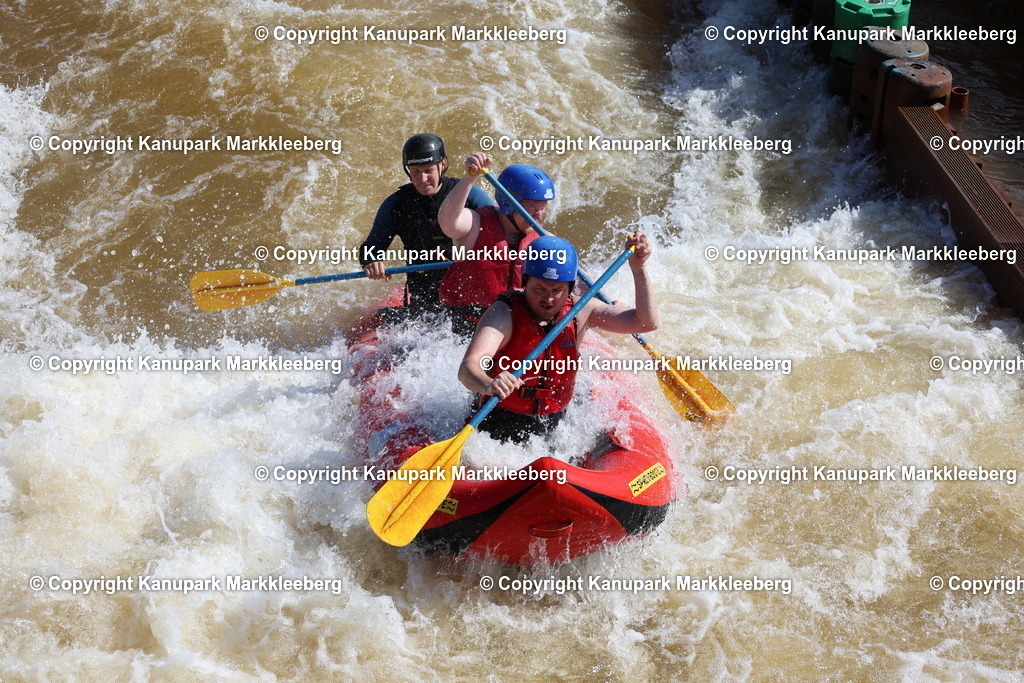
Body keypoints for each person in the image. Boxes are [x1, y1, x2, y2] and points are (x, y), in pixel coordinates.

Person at [458, 233, 658, 443]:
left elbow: (645, 323)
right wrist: (489, 384)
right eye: (539, 289)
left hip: (557, 419)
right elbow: (468, 368)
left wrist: (639, 269)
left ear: (570, 288)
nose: (549, 298)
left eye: (557, 290)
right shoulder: (503, 313)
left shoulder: (582, 311)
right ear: (525, 282)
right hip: (498, 419)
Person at [358, 134, 493, 320]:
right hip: (424, 295)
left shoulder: (468, 194)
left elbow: (502, 229)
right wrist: (371, 261)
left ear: (443, 164)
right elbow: (371, 247)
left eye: (428, 170)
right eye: (415, 171)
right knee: (375, 319)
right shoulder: (396, 204)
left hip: (467, 290)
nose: (422, 179)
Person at [437, 153, 555, 335]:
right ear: (508, 203)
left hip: (512, 327)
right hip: (465, 327)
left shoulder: (543, 240)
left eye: (542, 209)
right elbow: (448, 222)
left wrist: (609, 304)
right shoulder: (476, 225)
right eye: (532, 209)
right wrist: (470, 178)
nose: (539, 217)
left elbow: (575, 278)